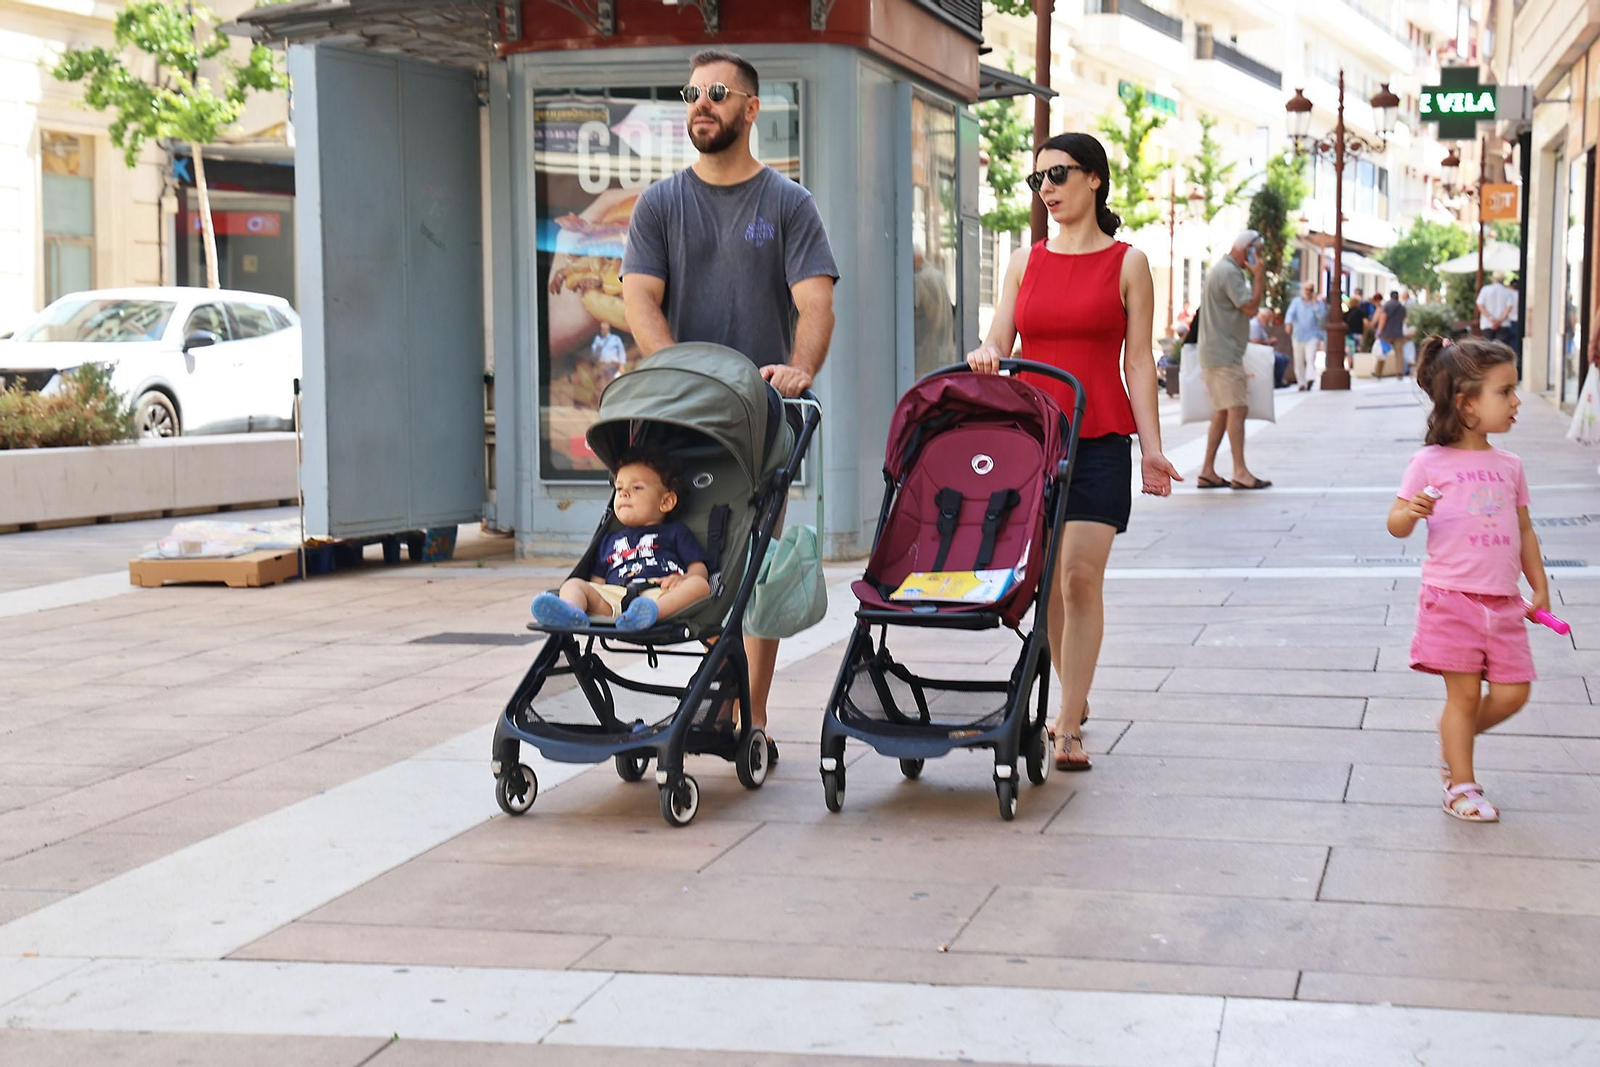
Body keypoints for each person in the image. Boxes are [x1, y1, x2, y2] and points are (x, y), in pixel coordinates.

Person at [621, 48, 839, 753]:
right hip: (680, 416)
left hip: (759, 420)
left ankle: (751, 710)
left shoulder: (786, 203)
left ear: (750, 110)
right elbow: (640, 299)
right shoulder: (660, 204)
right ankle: (722, 689)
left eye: (718, 92)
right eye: (692, 92)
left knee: (755, 565)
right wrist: (676, 372)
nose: (701, 103)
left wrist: (800, 368)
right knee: (684, 557)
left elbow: (815, 304)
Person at [965, 131, 1181, 771]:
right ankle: (1073, 694)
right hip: (1033, 442)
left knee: (1079, 577)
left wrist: (1153, 449)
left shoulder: (1128, 263)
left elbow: (1138, 362)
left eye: (1058, 175)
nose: (1047, 190)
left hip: (1100, 439)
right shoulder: (1023, 261)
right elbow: (1001, 335)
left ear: (1094, 179)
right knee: (1049, 586)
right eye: (1038, 180)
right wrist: (987, 353)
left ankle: (1067, 724)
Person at [1387, 336, 1547, 823]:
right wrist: (1411, 512)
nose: (1517, 400)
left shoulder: (1510, 466)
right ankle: (1460, 785)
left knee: (1512, 693)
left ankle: (1454, 744)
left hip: (1503, 603)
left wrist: (1538, 585)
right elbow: (1395, 522)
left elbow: (1523, 530)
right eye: (1506, 391)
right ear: (1466, 404)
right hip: (1451, 598)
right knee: (1463, 695)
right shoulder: (1429, 463)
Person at [532, 447, 713, 632]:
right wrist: (593, 596)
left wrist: (685, 579)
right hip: (614, 598)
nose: (624, 493)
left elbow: (698, 567)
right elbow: (597, 582)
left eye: (637, 487)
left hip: (660, 594)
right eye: (619, 488)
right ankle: (572, 613)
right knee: (574, 584)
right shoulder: (608, 540)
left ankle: (649, 614)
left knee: (699, 585)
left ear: (666, 502)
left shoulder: (676, 532)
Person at [1195, 230, 1270, 490]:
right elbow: (1250, 307)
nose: (1258, 257)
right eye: (1257, 252)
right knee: (1237, 409)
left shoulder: (1223, 270)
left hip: (1216, 352)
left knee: (1223, 411)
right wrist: (1259, 277)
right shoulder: (1229, 272)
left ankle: (1207, 470)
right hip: (1224, 354)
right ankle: (1240, 472)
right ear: (1248, 249)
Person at [912, 246, 956, 378]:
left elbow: (918, 312)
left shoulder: (920, 279)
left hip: (925, 355)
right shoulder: (937, 275)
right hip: (943, 350)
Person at [1285, 282, 1326, 391]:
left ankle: (1310, 378)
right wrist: (1288, 324)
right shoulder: (1296, 302)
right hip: (1298, 335)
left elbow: (1321, 317)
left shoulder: (1318, 303)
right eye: (1306, 289)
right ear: (1303, 290)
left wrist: (1315, 303)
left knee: (1310, 358)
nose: (1308, 292)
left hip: (1313, 335)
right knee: (1298, 361)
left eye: (1311, 290)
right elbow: (1290, 313)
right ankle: (1301, 383)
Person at [1374, 289, 1407, 376]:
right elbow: (1403, 319)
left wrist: (1379, 331)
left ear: (1390, 296)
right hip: (1398, 333)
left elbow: (1383, 318)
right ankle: (1399, 371)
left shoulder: (1387, 305)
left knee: (1382, 352)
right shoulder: (1402, 307)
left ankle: (1378, 372)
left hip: (1386, 333)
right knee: (1399, 354)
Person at [1476, 274, 1516, 345]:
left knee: (1487, 348)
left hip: (1487, 323)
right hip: (1503, 324)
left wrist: (1491, 318)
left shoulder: (1485, 289)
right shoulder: (1507, 291)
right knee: (1500, 349)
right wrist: (1499, 321)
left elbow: (1480, 305)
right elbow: (1509, 308)